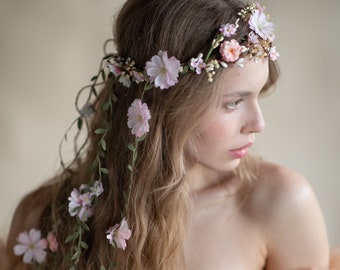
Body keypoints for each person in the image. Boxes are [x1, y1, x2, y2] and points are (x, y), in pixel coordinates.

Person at [3, 0, 337, 269]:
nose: (258, 123)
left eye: (257, 94)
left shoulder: (279, 204)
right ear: (164, 103)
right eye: (234, 103)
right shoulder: (47, 218)